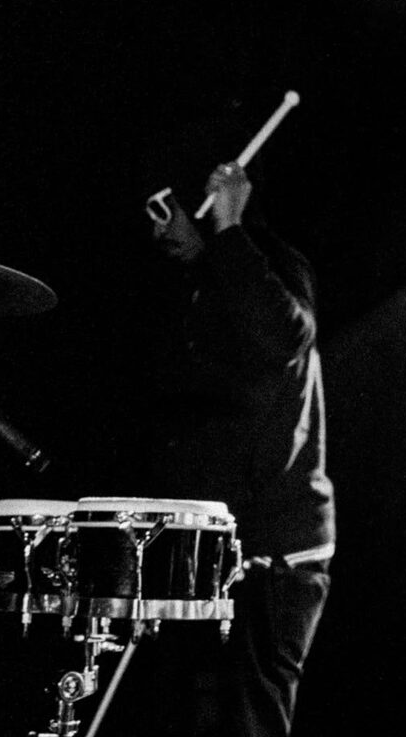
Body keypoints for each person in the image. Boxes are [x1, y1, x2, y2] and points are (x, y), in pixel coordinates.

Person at [132, 157, 336, 736]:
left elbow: (283, 333)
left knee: (248, 722)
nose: (164, 228)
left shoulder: (274, 266)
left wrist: (227, 229)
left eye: (173, 210)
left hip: (270, 556)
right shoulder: (202, 284)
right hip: (212, 550)